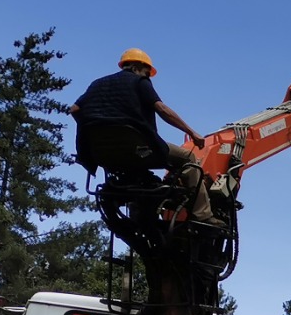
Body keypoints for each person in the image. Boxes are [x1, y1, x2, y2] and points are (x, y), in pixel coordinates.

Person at [70, 48, 221, 227]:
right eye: (148, 72)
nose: (148, 76)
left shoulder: (96, 84)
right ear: (139, 67)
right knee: (188, 158)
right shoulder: (140, 82)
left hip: (101, 154)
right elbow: (162, 110)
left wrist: (94, 127)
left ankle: (139, 205)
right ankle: (202, 215)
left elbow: (74, 110)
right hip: (137, 149)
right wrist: (192, 132)